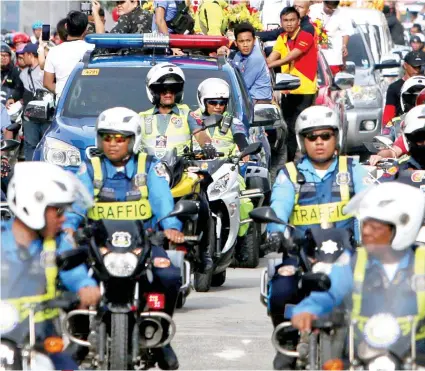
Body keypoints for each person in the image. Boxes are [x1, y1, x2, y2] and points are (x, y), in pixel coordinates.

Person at [63, 107, 182, 370]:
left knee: (170, 275)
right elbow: (74, 204)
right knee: (68, 272)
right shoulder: (89, 168)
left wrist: (171, 226)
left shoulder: (150, 167)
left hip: (143, 243)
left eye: (120, 138)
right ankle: (79, 335)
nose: (113, 144)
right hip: (97, 245)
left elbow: (163, 203)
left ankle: (160, 336)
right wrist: (69, 227)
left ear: (133, 140)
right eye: (107, 137)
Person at [266, 105, 369, 369]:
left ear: (337, 138)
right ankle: (288, 338)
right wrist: (276, 233)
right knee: (281, 287)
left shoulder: (353, 168)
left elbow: (370, 203)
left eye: (326, 136)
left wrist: (371, 232)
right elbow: (278, 208)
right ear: (302, 141)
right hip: (301, 254)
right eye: (312, 137)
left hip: (347, 254)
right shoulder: (289, 174)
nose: (319, 142)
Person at [291, 182, 425, 361]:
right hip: (361, 354)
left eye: (376, 228)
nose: (366, 233)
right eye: (364, 225)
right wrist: (307, 310)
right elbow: (330, 293)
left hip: (417, 354)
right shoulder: (354, 262)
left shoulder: (422, 262)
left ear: (402, 229)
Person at [1, 161, 101, 370]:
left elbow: (74, 272)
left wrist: (85, 287)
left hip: (42, 342)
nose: (63, 219)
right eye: (58, 211)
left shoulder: (56, 243)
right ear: (34, 204)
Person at [139, 62, 219, 270]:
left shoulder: (187, 114)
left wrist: (208, 146)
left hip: (182, 169)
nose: (168, 94)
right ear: (154, 92)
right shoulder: (141, 117)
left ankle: (205, 251)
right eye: (163, 90)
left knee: (202, 199)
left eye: (172, 90)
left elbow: (201, 134)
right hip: (151, 172)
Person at [267, 7, 318, 162]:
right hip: (287, 89)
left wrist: (270, 65)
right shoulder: (282, 38)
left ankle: (305, 159)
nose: (289, 24)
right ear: (281, 22)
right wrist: (264, 64)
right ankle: (290, 163)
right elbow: (273, 57)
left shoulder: (306, 36)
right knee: (288, 127)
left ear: (298, 21)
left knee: (301, 126)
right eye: (285, 20)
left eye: (292, 20)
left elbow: (290, 57)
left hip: (305, 90)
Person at [370, 78, 425, 165]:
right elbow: (393, 151)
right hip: (409, 170)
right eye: (411, 99)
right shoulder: (403, 128)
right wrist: (380, 156)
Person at [43, 11, 94, 100]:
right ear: (85, 29)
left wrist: (61, 92)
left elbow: (47, 83)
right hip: (89, 102)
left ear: (66, 26)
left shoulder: (54, 51)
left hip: (63, 105)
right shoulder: (93, 48)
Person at [219, 22, 273, 104]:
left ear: (254, 41)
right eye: (241, 41)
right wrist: (221, 57)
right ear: (236, 43)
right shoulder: (238, 55)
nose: (245, 45)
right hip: (247, 99)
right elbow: (230, 71)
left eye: (248, 41)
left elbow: (241, 86)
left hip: (259, 102)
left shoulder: (255, 58)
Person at [19, 43, 50, 161]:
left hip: (46, 114)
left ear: (30, 55)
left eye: (24, 55)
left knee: (46, 145)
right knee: (31, 144)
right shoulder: (23, 73)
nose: (22, 58)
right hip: (31, 115)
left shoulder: (45, 70)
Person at [308, 0, 353, 75]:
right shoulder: (313, 9)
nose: (330, 10)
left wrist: (344, 45)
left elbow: (346, 32)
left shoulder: (342, 14)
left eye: (333, 9)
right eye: (328, 7)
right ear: (324, 3)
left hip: (332, 55)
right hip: (313, 51)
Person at [382, 51, 425, 126]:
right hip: (401, 126)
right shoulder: (394, 88)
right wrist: (388, 131)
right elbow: (388, 118)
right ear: (405, 65)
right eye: (414, 66)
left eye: (420, 67)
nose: (417, 70)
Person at [1, 42, 24, 108]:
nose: (3, 58)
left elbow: (19, 88)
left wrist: (13, 97)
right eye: (1, 55)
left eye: (6, 55)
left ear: (10, 57)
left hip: (8, 105)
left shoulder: (15, 71)